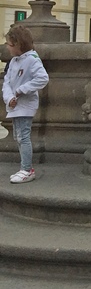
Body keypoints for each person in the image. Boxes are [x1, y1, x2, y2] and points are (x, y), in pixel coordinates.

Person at [2, 25, 49, 183]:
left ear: (17, 44)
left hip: (25, 106)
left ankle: (27, 169)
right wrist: (9, 98)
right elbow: (7, 82)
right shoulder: (15, 61)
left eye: (9, 44)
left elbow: (42, 78)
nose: (7, 47)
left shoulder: (32, 59)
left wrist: (22, 90)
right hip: (16, 106)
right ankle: (25, 168)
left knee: (23, 137)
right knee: (19, 136)